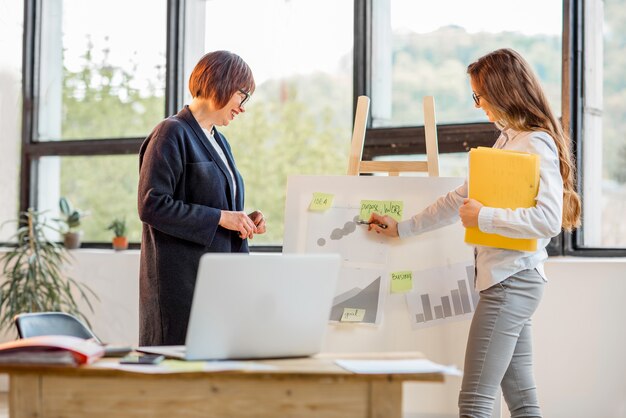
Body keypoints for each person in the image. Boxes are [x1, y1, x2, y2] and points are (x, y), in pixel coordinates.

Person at [366, 48, 581, 417]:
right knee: (523, 402)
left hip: (511, 281)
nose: (478, 104)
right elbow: (458, 200)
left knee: (475, 401)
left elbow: (547, 220)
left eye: (478, 95)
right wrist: (402, 227)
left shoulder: (534, 142)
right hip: (511, 280)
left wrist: (484, 218)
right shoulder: (507, 140)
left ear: (502, 91)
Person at [137, 51, 266, 346]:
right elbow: (151, 204)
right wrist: (222, 217)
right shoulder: (171, 133)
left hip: (218, 287)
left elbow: (216, 205)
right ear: (220, 83)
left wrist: (243, 219)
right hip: (182, 290)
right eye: (242, 96)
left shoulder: (219, 140)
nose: (243, 108)